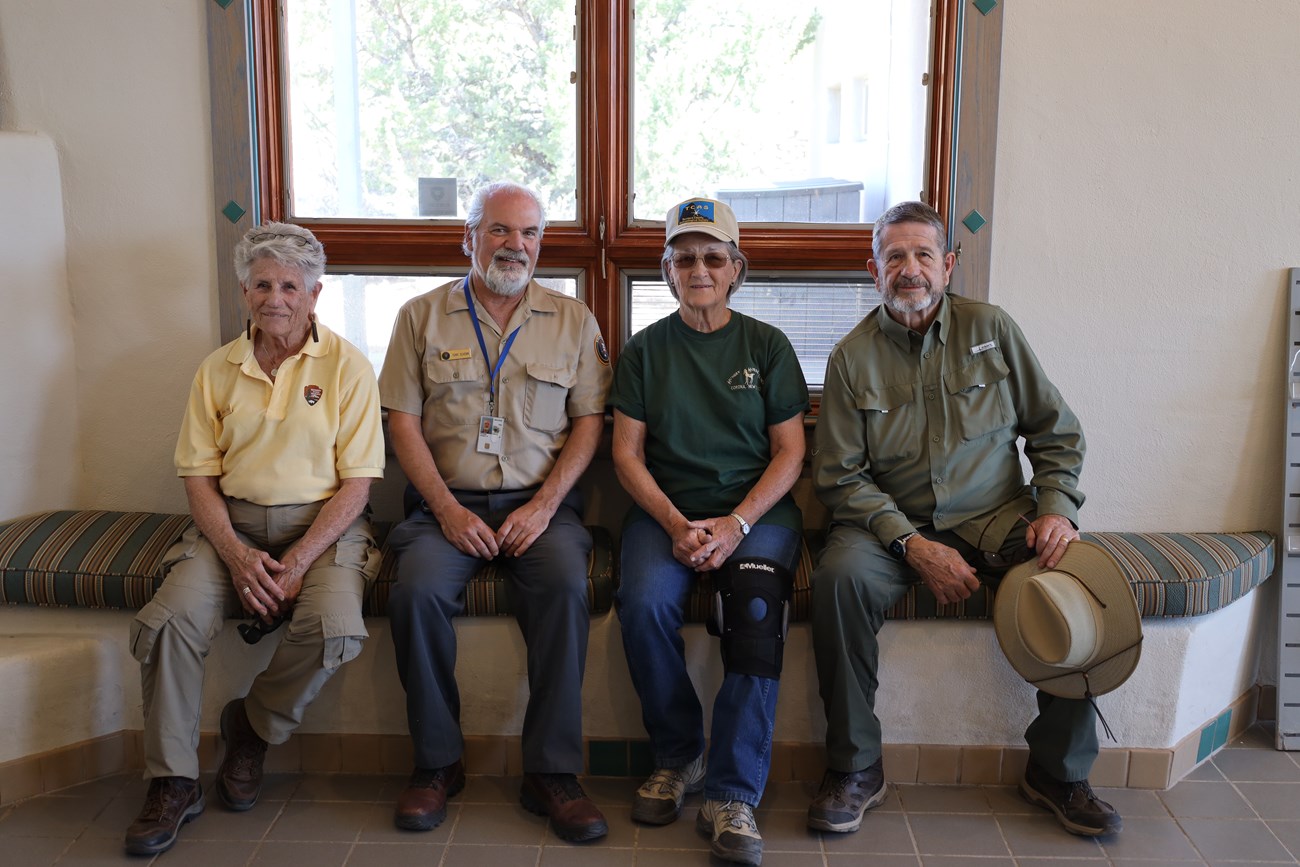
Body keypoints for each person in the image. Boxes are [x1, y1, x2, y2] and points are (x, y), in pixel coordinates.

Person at [807, 201, 1119, 838]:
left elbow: (1056, 433)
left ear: (948, 265)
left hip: (997, 516)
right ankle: (855, 766)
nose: (910, 269)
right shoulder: (850, 357)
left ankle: (1058, 771)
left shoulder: (993, 328)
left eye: (924, 255)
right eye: (895, 256)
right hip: (888, 527)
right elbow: (841, 477)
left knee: (1070, 584)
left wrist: (1057, 508)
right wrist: (914, 545)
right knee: (839, 580)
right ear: (874, 269)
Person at [125, 223, 384, 856]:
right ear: (245, 291)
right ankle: (173, 781)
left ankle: (253, 726)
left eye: (290, 285)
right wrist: (240, 557)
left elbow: (357, 488)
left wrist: (294, 564)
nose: (276, 298)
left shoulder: (348, 367)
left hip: (324, 527)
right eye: (263, 284)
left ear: (315, 293)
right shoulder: (217, 370)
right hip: (229, 526)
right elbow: (198, 479)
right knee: (170, 619)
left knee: (335, 627)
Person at [379, 181, 612, 842]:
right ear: (470, 238)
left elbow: (590, 426)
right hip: (444, 508)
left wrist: (543, 507)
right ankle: (436, 763)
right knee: (415, 592)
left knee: (567, 586)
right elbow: (401, 423)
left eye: (529, 233)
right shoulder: (419, 317)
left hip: (544, 509)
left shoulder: (574, 321)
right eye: (501, 231)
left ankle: (552, 773)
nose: (516, 245)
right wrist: (448, 511)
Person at [612, 197, 809, 866]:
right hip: (665, 512)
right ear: (667, 271)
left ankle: (732, 792)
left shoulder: (766, 346)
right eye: (685, 257)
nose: (699, 268)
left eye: (713, 257)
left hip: (756, 515)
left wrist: (735, 523)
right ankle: (679, 754)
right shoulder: (644, 352)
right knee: (641, 602)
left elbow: (790, 453)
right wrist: (674, 522)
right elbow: (626, 454)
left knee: (756, 610)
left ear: (735, 269)